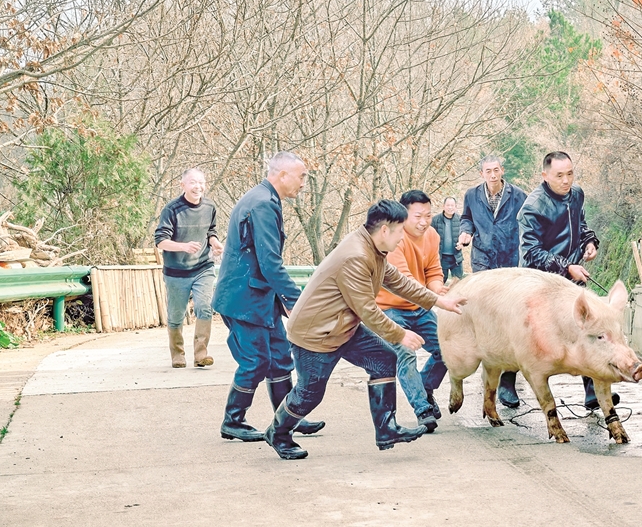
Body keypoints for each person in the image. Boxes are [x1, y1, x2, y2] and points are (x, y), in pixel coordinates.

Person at [264, 200, 466, 460]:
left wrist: (440, 301)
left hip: (342, 325)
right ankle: (277, 433)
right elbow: (368, 310)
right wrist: (401, 334)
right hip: (315, 334)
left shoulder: (373, 248)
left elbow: (400, 282)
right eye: (399, 231)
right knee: (309, 394)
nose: (402, 237)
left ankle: (386, 429)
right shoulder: (357, 256)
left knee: (384, 359)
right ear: (385, 230)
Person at [212, 152, 324, 442]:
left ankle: (288, 418)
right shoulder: (262, 203)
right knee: (256, 361)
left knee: (279, 358)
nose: (303, 183)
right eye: (301, 176)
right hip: (244, 298)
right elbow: (270, 262)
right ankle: (233, 421)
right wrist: (296, 300)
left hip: (259, 296)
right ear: (282, 175)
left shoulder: (264, 198)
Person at [517, 151, 617, 411]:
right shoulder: (532, 207)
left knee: (587, 329)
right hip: (540, 280)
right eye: (559, 175)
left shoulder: (577, 194)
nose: (566, 180)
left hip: (573, 277)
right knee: (526, 335)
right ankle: (506, 381)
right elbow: (531, 252)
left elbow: (581, 225)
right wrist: (566, 267)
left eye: (570, 174)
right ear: (545, 175)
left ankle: (593, 390)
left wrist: (590, 242)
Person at [458, 154, 527, 407]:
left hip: (510, 261)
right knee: (486, 317)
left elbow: (529, 222)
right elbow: (466, 218)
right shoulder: (471, 195)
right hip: (483, 261)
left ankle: (508, 383)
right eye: (488, 171)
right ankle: (489, 367)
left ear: (502, 170)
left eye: (496, 170)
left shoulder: (518, 196)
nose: (493, 174)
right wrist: (466, 232)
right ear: (482, 174)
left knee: (510, 319)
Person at [376, 190, 449, 431]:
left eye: (428, 215)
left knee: (448, 348)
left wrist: (438, 287)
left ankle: (425, 387)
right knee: (405, 353)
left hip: (420, 306)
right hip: (390, 307)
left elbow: (433, 270)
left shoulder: (432, 235)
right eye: (418, 216)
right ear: (403, 215)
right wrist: (435, 299)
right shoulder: (394, 238)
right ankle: (422, 409)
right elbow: (403, 282)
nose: (424, 222)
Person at [154, 168, 224, 369]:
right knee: (176, 315)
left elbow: (210, 231)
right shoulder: (172, 209)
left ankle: (201, 354)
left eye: (201, 182)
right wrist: (183, 247)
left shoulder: (209, 206)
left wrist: (214, 242)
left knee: (205, 307)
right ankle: (178, 354)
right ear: (182, 185)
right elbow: (160, 241)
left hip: (203, 267)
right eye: (193, 182)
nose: (197, 187)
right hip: (176, 271)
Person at [431, 197, 464, 282]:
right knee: (439, 282)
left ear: (455, 207)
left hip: (456, 258)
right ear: (443, 206)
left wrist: (462, 244)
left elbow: (465, 235)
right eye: (448, 205)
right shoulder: (435, 220)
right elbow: (429, 237)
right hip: (441, 258)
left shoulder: (461, 220)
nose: (450, 207)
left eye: (452, 205)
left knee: (458, 283)